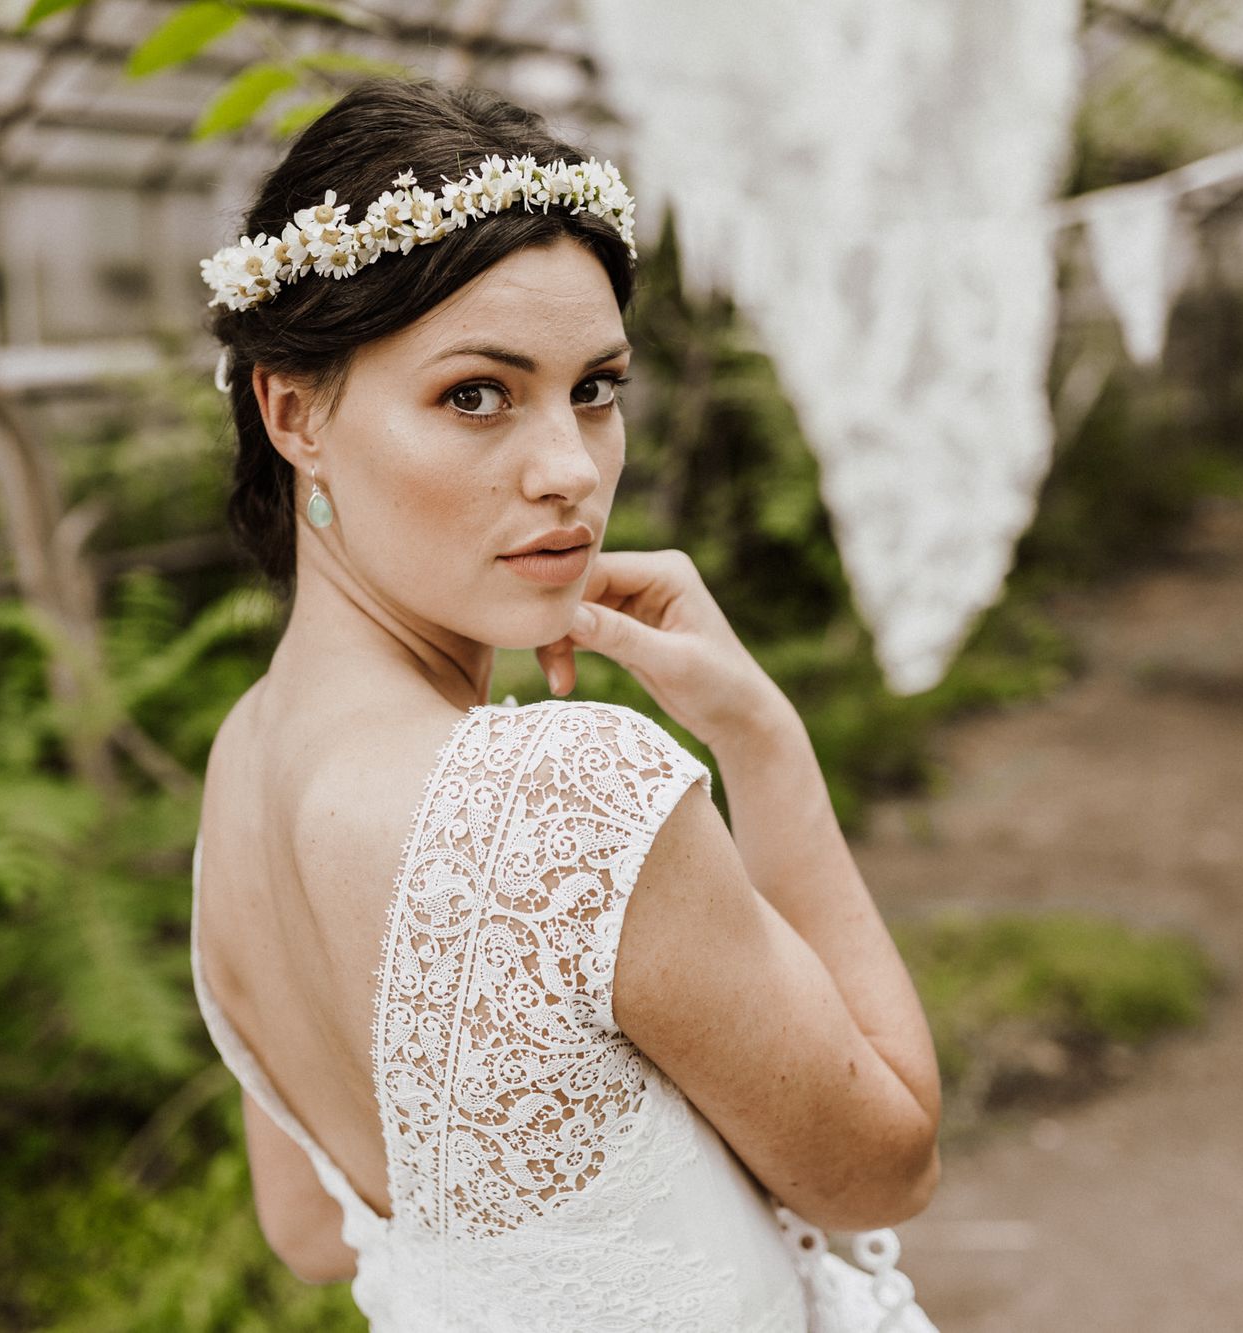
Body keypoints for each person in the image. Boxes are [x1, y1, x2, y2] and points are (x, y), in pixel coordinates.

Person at [190, 75, 943, 1331]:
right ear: (292, 411)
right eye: (474, 395)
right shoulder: (559, 796)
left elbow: (314, 1230)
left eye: (593, 388)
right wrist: (760, 735)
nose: (568, 471)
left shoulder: (244, 759)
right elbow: (885, 1168)